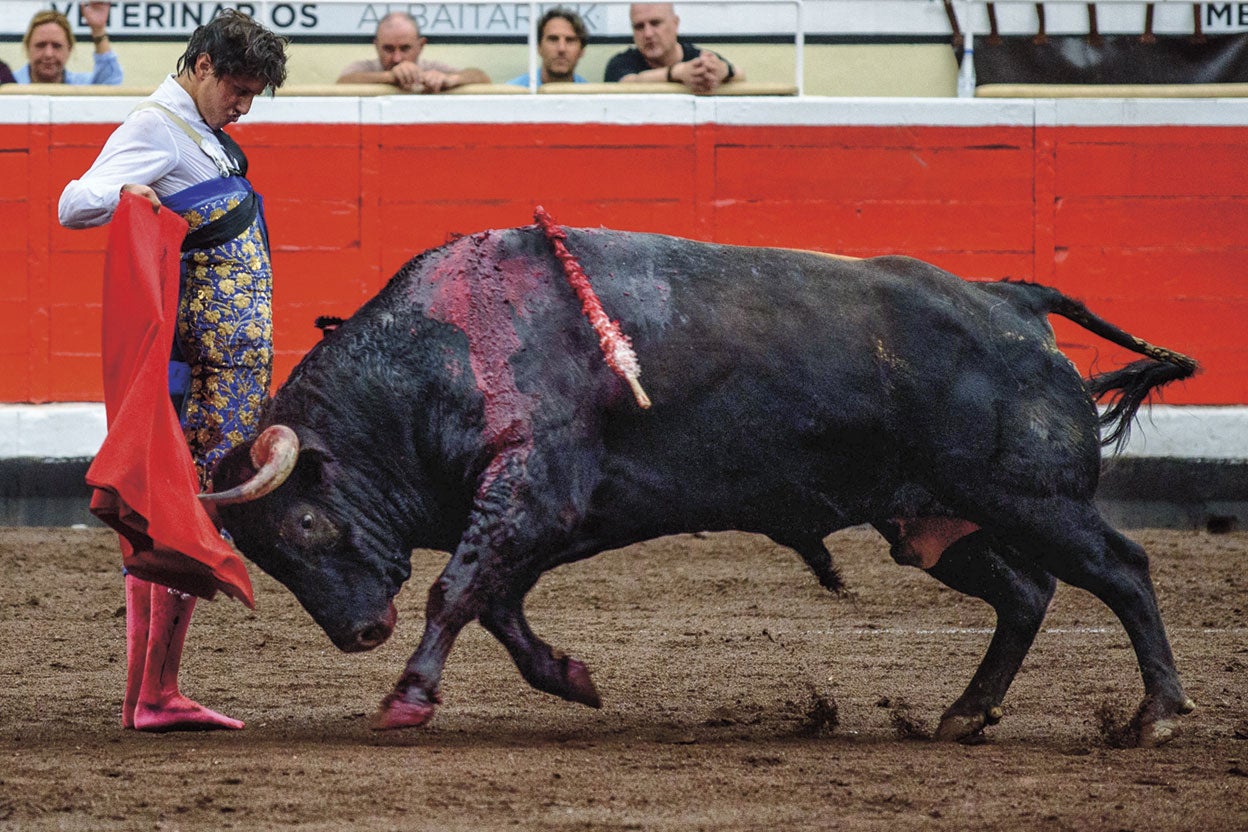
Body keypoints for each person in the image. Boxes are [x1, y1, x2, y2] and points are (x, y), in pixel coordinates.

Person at [58, 9, 288, 732]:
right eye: (239, 88)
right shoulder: (157, 126)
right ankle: (154, 694)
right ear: (201, 67)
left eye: (255, 93)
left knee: (179, 514)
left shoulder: (205, 136)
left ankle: (154, 693)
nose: (244, 105)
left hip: (222, 366)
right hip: (208, 369)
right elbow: (75, 201)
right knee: (184, 516)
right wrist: (126, 193)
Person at [604, 3, 744, 94]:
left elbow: (740, 75)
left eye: (655, 23)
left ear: (675, 24)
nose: (648, 34)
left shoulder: (698, 58)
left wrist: (723, 71)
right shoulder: (620, 63)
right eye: (639, 27)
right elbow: (626, 85)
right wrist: (676, 73)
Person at [338, 12, 489, 92]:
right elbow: (342, 83)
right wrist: (391, 77)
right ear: (376, 46)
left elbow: (481, 78)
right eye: (388, 49)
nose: (397, 58)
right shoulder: (366, 69)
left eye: (405, 48)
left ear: (421, 45)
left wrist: (451, 80)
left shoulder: (431, 68)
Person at [16, 2, 123, 85]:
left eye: (57, 46)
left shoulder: (80, 87)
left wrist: (98, 30)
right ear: (27, 47)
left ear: (69, 49)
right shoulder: (8, 84)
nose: (48, 54)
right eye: (40, 45)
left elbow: (110, 82)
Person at [507, 7, 589, 87]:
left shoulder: (592, 96)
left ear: (582, 50)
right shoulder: (513, 94)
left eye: (570, 40)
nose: (561, 48)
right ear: (539, 47)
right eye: (553, 39)